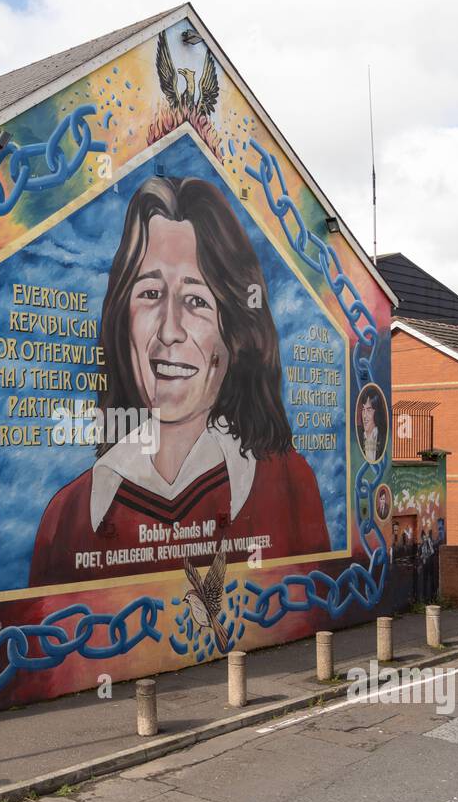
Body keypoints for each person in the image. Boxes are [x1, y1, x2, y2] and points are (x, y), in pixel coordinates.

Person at [29, 175, 328, 587]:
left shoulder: (289, 486)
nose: (170, 330)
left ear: (235, 332)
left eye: (197, 301)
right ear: (122, 319)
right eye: (150, 294)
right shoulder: (68, 517)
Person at [358, 389, 386, 464]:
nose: (364, 415)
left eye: (369, 410)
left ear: (377, 412)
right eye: (363, 410)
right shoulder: (358, 435)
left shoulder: (384, 436)